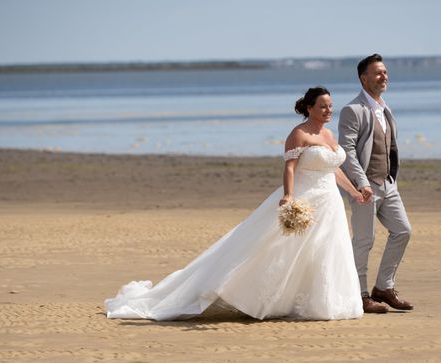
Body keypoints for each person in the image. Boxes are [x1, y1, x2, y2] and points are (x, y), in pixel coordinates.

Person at [106, 86, 366, 321]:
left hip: (330, 202)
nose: (328, 110)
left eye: (331, 106)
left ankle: (322, 302)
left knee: (326, 249)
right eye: (323, 106)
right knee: (276, 248)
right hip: (305, 197)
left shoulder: (330, 134)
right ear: (309, 108)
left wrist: (353, 192)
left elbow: (333, 168)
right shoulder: (298, 134)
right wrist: (288, 196)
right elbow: (289, 168)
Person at [338, 54, 414, 314]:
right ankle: (358, 295)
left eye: (385, 72)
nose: (384, 77)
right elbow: (346, 150)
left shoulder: (384, 107)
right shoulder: (352, 110)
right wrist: (361, 182)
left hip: (388, 184)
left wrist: (390, 177)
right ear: (363, 78)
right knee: (364, 240)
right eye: (378, 73)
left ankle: (383, 287)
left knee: (403, 230)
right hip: (364, 186)